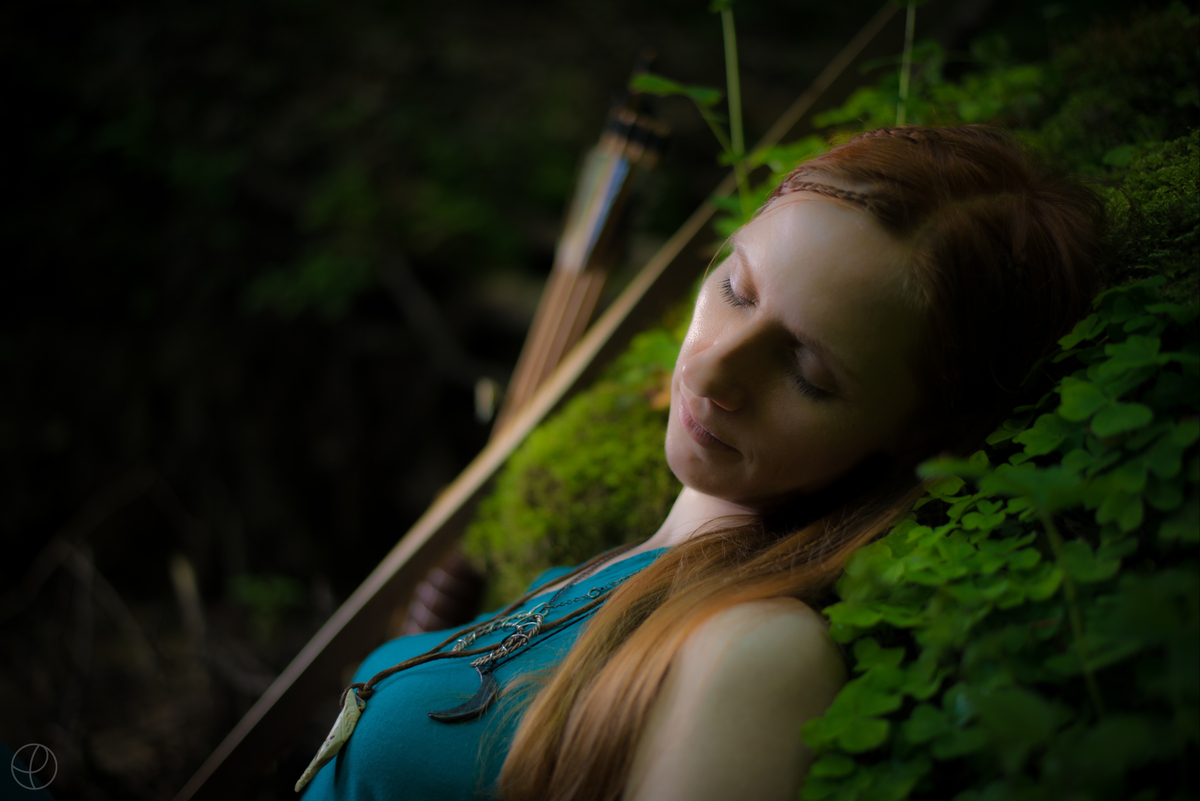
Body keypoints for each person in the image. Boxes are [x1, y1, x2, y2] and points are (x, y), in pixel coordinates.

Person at [297, 125, 1104, 801]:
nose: (714, 369)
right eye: (737, 290)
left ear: (912, 435)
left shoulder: (757, 651)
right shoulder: (597, 576)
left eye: (807, 371)